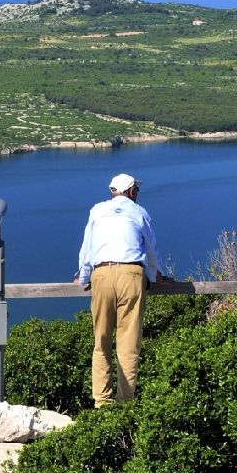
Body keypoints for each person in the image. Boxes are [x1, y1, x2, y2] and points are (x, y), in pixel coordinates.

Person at [73, 172, 163, 406]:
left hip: (101, 274)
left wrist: (83, 277)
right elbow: (151, 250)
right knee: (128, 343)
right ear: (132, 191)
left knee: (101, 341)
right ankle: (125, 404)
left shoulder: (97, 211)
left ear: (113, 191)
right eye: (137, 191)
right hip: (131, 275)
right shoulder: (139, 212)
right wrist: (156, 275)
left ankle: (102, 402)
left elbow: (87, 248)